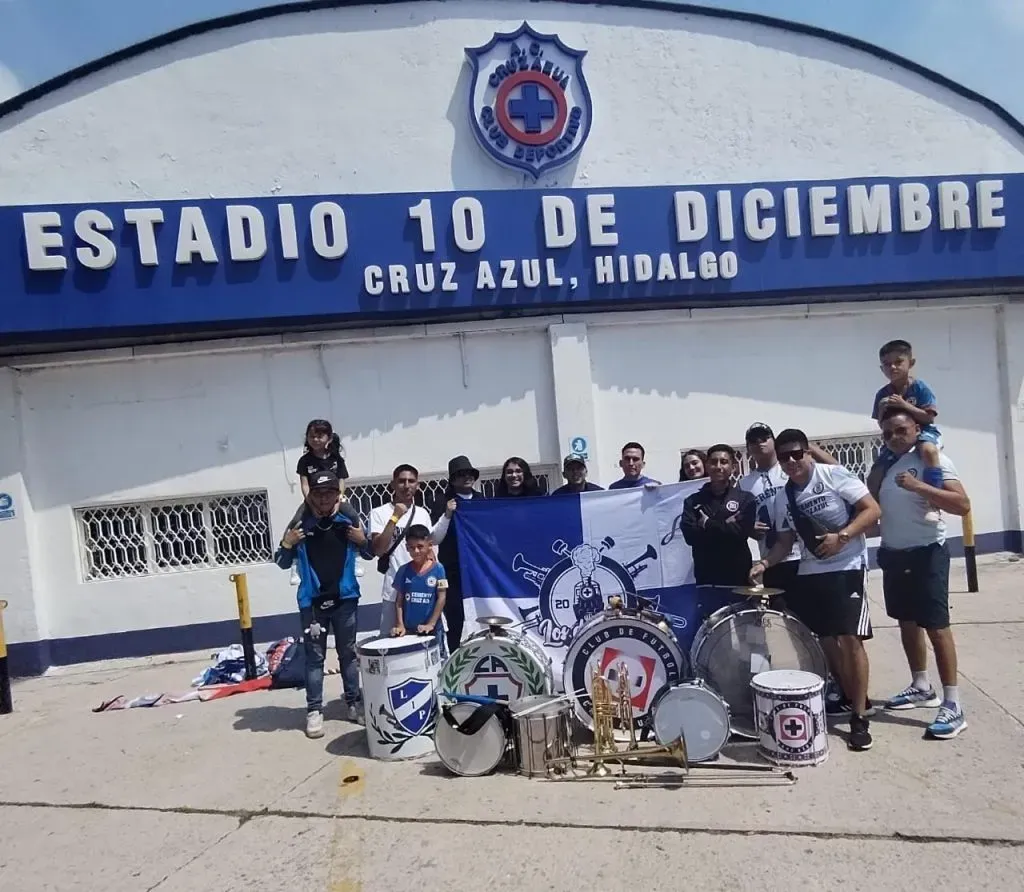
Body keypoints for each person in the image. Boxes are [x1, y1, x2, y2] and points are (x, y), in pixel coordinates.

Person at [749, 428, 881, 752]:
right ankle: (849, 695)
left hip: (847, 567)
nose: (792, 461)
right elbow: (784, 542)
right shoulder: (783, 497)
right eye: (785, 457)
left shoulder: (834, 475)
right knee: (825, 640)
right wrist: (764, 564)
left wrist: (843, 536)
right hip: (811, 570)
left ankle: (860, 716)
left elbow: (872, 510)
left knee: (850, 638)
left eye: (797, 454)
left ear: (808, 452)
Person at [872, 408, 971, 739]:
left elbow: (962, 504)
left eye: (901, 430)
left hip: (927, 553)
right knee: (907, 622)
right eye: (887, 434)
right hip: (894, 555)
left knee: (936, 627)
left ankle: (953, 703)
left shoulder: (935, 459)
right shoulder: (888, 467)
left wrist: (918, 486)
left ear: (917, 428)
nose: (895, 438)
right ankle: (921, 686)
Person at [274, 470, 367, 740]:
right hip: (312, 604)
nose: (324, 498)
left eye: (329, 493)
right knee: (315, 659)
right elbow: (281, 560)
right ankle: (314, 710)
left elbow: (370, 551)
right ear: (311, 495)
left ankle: (353, 703)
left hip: (345, 599)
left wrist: (362, 540)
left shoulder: (347, 520)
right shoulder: (301, 523)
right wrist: (287, 542)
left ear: (338, 495)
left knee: (348, 654)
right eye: (319, 493)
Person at [739, 422, 837, 593]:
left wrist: (807, 447)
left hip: (804, 554)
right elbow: (741, 520)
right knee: (783, 614)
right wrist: (749, 528)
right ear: (748, 447)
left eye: (764, 438)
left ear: (773, 441)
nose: (759, 443)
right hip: (772, 558)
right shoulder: (743, 484)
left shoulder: (793, 466)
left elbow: (836, 470)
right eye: (753, 440)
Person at [370, 464, 449, 638]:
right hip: (394, 589)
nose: (406, 485)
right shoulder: (379, 513)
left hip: (423, 590)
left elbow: (429, 548)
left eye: (411, 481)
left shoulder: (422, 513)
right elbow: (378, 549)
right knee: (391, 640)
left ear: (418, 485)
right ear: (393, 484)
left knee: (426, 639)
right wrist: (394, 517)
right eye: (402, 481)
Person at [869, 339, 943, 519]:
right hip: (895, 437)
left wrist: (904, 405)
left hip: (922, 431)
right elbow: (881, 424)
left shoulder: (919, 388)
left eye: (898, 362)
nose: (892, 367)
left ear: (911, 363)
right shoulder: (882, 394)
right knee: (875, 473)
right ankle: (874, 511)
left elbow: (929, 417)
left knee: (929, 451)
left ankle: (933, 503)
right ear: (881, 369)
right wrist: (881, 410)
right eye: (887, 364)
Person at [681, 444, 756, 588]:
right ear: (707, 466)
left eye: (724, 462)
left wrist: (708, 524)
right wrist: (726, 525)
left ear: (733, 467)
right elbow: (690, 537)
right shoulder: (692, 501)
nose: (718, 466)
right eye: (713, 462)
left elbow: (740, 533)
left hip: (739, 579)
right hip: (707, 579)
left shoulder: (745, 499)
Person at [429, 455, 478, 652]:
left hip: (478, 571)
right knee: (455, 618)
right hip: (452, 570)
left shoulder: (482, 500)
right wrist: (447, 513)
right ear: (453, 479)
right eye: (460, 474)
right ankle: (455, 658)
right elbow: (434, 538)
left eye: (469, 473)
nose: (466, 477)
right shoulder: (442, 501)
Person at [392, 524, 449, 655]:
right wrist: (400, 625)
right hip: (410, 630)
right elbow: (399, 602)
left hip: (433, 630)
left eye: (420, 547)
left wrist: (431, 624)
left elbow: (442, 597)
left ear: (430, 545)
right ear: (407, 548)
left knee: (438, 663)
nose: (416, 551)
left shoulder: (438, 569)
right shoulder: (403, 571)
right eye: (411, 548)